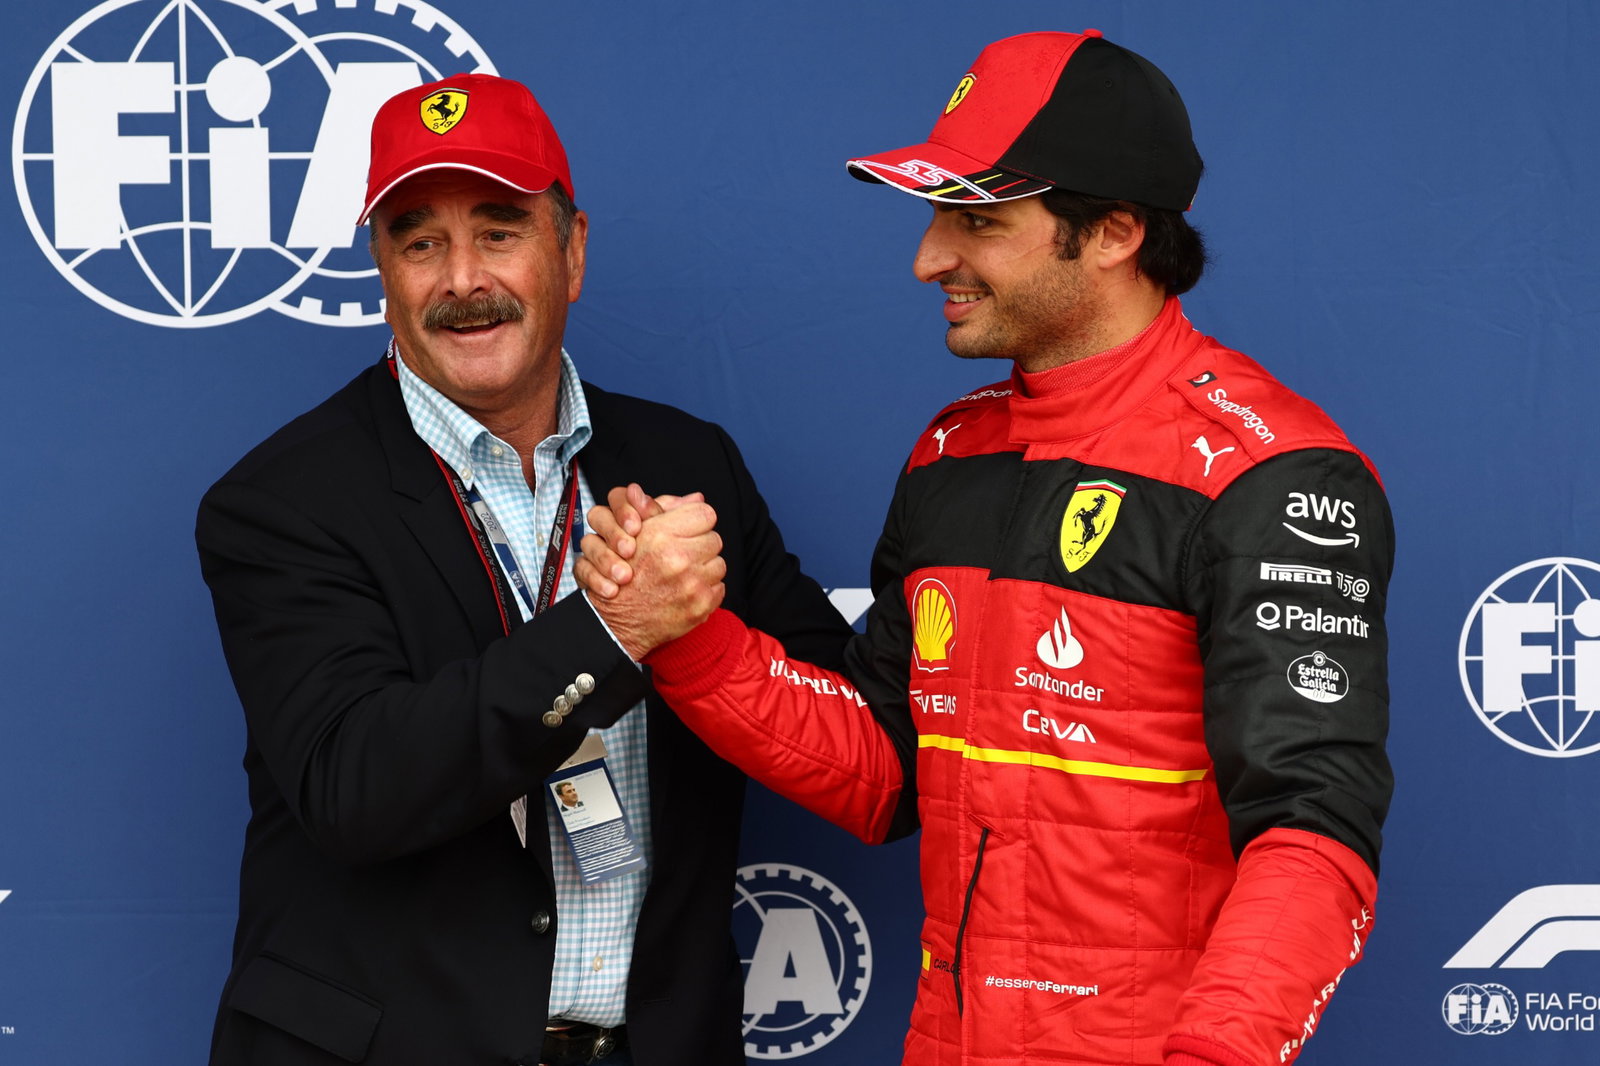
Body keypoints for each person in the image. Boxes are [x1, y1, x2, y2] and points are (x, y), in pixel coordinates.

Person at [577, 30, 1393, 1066]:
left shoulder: (1266, 475)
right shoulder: (951, 451)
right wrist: (685, 639)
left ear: (1113, 232)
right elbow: (883, 773)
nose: (928, 257)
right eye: (934, 214)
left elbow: (1311, 836)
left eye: (978, 220)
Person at [195, 72, 852, 1066]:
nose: (462, 279)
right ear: (382, 266)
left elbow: (838, 715)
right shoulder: (283, 501)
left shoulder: (686, 465)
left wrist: (700, 637)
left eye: (498, 231)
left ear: (572, 251)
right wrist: (614, 629)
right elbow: (356, 786)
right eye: (421, 242)